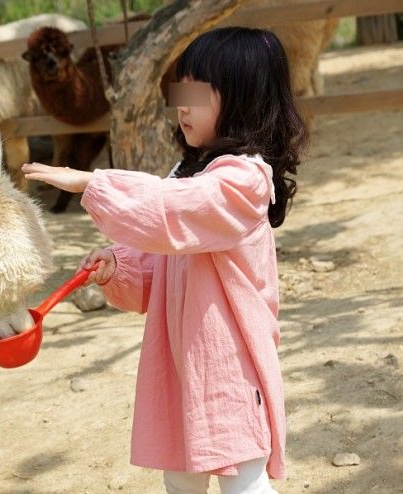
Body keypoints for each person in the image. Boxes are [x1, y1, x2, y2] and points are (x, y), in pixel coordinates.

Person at [22, 27, 308, 494]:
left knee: (243, 482)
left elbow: (170, 212)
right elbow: (163, 261)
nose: (182, 106)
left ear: (241, 98)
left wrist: (91, 183)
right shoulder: (189, 175)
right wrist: (121, 268)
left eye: (197, 93)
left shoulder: (243, 180)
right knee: (180, 479)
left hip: (227, 364)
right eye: (181, 91)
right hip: (179, 362)